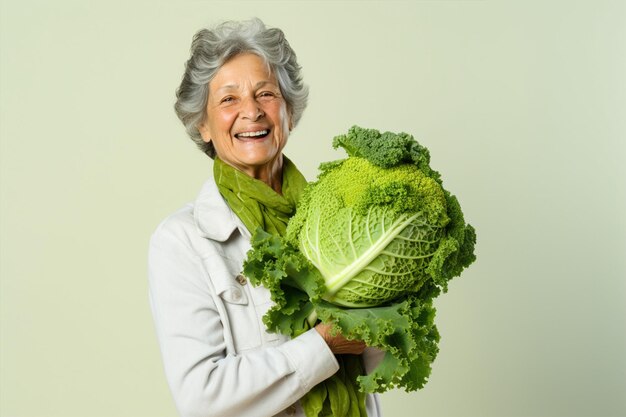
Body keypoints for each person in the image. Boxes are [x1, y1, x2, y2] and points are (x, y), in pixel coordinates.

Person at [148, 18, 383, 417]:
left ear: (289, 111)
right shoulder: (182, 242)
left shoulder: (338, 222)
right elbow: (203, 398)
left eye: (266, 93)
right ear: (202, 125)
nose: (251, 112)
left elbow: (374, 362)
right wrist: (324, 345)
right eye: (228, 100)